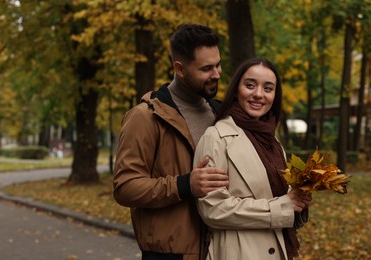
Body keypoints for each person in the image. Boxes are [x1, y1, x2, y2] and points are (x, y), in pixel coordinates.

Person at [113, 24, 229, 260]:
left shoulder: (222, 114)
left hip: (221, 251)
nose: (216, 74)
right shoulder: (145, 117)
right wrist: (184, 185)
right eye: (206, 68)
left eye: (218, 64)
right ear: (180, 69)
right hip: (170, 255)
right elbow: (125, 187)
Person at [194, 57, 312, 260]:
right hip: (238, 252)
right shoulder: (216, 137)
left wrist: (299, 201)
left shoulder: (273, 142)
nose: (258, 94)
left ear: (275, 95)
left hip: (278, 249)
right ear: (236, 89)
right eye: (250, 85)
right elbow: (212, 209)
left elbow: (279, 197)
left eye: (268, 88)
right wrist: (282, 207)